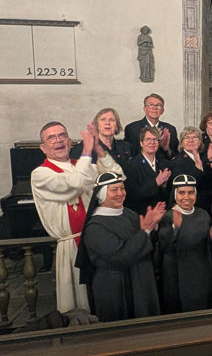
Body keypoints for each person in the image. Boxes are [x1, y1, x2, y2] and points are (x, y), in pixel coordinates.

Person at [31, 121, 124, 313]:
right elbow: (73, 184)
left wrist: (97, 147)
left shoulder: (80, 165)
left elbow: (117, 174)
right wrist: (87, 151)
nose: (58, 140)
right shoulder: (40, 173)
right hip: (71, 243)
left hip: (95, 239)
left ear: (69, 141)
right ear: (43, 147)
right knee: (80, 303)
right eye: (52, 137)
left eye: (62, 135)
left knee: (101, 295)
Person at [75, 172, 164, 322]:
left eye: (122, 188)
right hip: (113, 287)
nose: (120, 193)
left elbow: (146, 243)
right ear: (102, 194)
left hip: (139, 281)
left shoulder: (129, 214)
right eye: (114, 190)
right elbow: (120, 256)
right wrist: (146, 231)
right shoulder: (95, 227)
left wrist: (153, 228)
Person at [157, 174, 212, 313]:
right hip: (177, 275)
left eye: (191, 192)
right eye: (182, 193)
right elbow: (164, 247)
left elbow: (208, 248)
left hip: (201, 273)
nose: (186, 197)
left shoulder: (203, 215)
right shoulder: (168, 217)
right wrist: (176, 228)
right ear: (175, 194)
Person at [167, 126, 212, 212]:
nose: (191, 140)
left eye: (194, 137)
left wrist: (211, 160)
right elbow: (182, 187)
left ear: (200, 141)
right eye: (187, 137)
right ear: (182, 143)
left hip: (210, 205)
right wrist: (197, 169)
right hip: (190, 208)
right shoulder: (176, 162)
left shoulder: (206, 156)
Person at [123, 127, 172, 216]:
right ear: (141, 143)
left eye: (155, 139)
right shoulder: (130, 166)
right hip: (141, 216)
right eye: (148, 139)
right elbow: (131, 195)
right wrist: (156, 183)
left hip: (163, 217)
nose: (152, 142)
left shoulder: (164, 164)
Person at [124, 93, 178, 158]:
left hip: (166, 167)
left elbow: (176, 157)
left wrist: (166, 149)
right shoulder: (132, 129)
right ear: (144, 109)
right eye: (151, 105)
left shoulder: (170, 129)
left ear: (162, 111)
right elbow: (129, 156)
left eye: (158, 105)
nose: (154, 108)